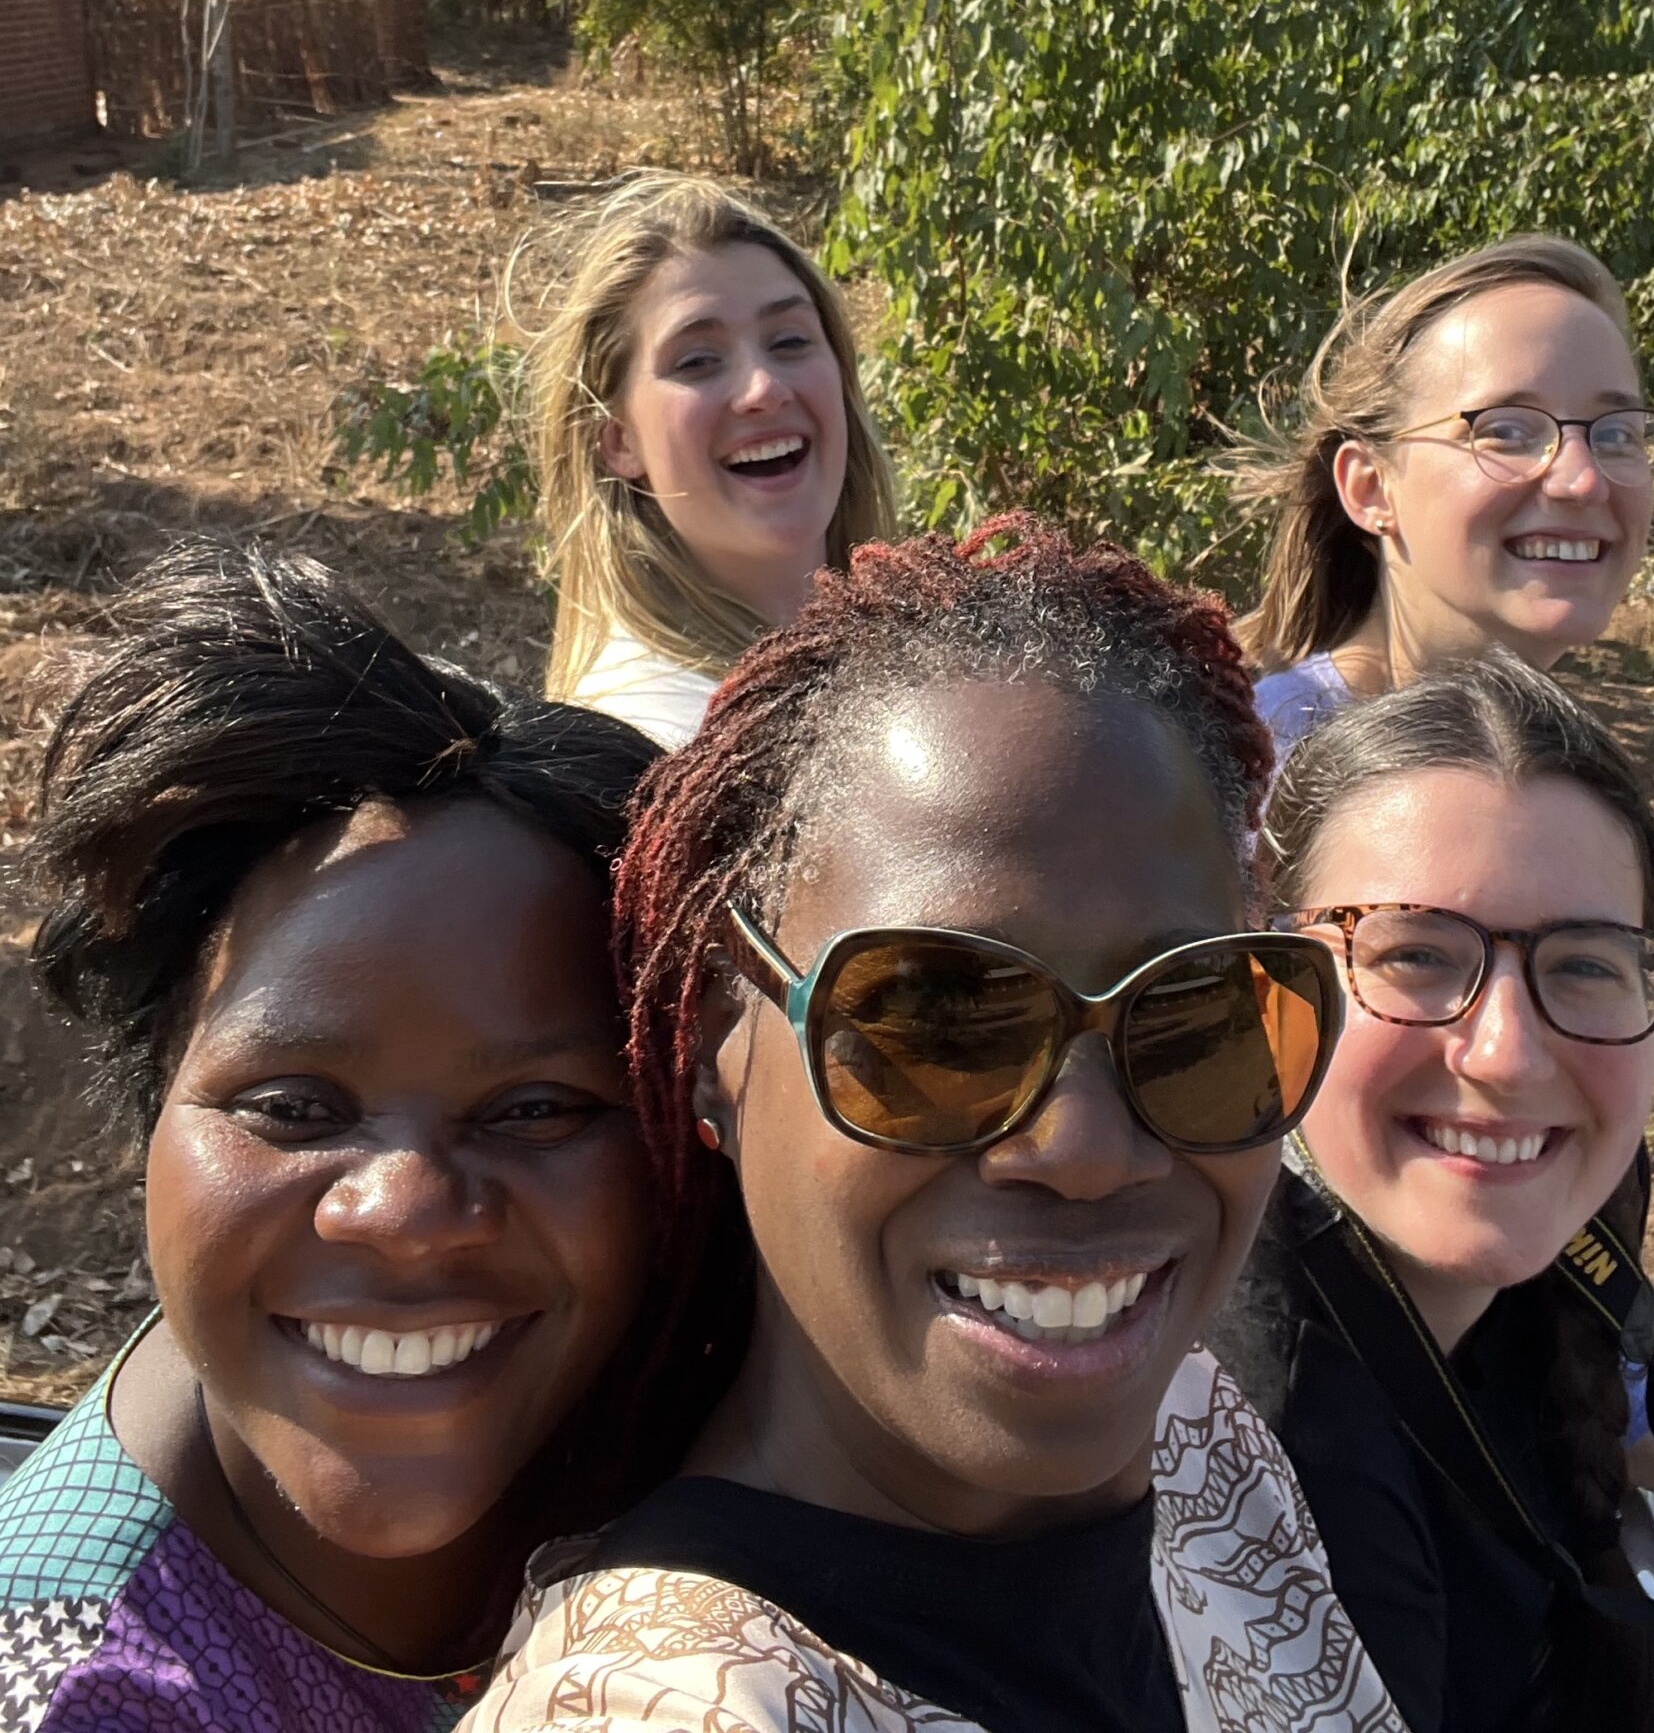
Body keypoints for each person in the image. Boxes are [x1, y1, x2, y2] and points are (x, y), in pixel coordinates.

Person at [463, 517, 1406, 1733]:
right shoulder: (674, 1706)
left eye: (1197, 1012)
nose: (1087, 1149)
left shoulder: (1195, 1436)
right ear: (711, 1042)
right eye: (937, 1021)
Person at [0, 543, 663, 1731]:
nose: (401, 1210)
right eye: (294, 1110)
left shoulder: (697, 1410)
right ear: (152, 1110)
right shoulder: (82, 1694)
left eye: (535, 1110)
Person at [1212, 655, 1654, 1733]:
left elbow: (1563, 1392)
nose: (1504, 1051)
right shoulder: (1261, 1485)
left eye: (1584, 964)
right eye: (1413, 953)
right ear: (1273, 996)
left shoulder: (1491, 1260)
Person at [1233, 236, 1654, 763]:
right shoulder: (1251, 778)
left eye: (1617, 435)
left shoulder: (1558, 768)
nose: (1583, 480)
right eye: (1506, 431)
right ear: (1370, 489)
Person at [526, 174, 897, 747]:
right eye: (698, 361)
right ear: (621, 442)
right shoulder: (652, 747)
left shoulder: (918, 652)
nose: (765, 388)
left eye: (790, 342)